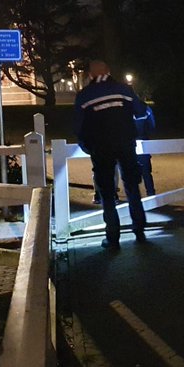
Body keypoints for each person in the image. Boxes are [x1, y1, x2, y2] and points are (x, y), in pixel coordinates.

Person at [73, 60, 148, 250]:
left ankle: (112, 237)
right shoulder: (124, 90)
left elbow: (78, 126)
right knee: (132, 186)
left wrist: (87, 146)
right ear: (108, 71)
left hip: (101, 148)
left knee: (106, 192)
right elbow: (141, 112)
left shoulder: (84, 95)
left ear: (90, 75)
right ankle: (139, 230)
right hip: (126, 144)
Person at [135, 104, 156, 196]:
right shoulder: (146, 108)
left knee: (130, 171)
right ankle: (151, 193)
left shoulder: (124, 107)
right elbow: (152, 125)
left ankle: (134, 196)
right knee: (146, 171)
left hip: (129, 142)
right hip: (144, 140)